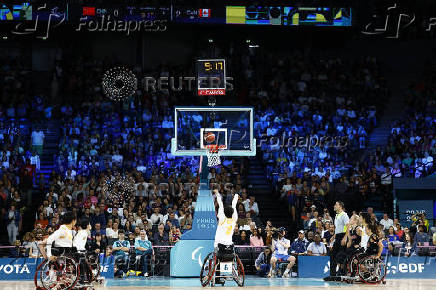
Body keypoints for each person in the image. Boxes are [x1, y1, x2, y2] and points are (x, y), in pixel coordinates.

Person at [213, 189, 238, 285]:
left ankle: (218, 276)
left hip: (219, 245)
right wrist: (235, 196)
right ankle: (230, 273)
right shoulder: (234, 219)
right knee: (227, 255)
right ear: (232, 213)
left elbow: (220, 204)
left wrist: (217, 194)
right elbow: (234, 205)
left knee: (217, 259)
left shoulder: (222, 219)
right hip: (230, 248)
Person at [325, 201, 349, 280]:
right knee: (332, 255)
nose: (334, 206)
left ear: (340, 206)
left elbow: (348, 227)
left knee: (341, 257)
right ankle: (333, 275)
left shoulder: (344, 215)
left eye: (336, 205)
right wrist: (334, 236)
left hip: (343, 236)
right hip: (338, 236)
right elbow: (338, 228)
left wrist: (345, 237)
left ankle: (342, 274)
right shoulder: (336, 215)